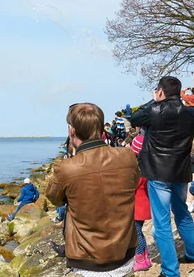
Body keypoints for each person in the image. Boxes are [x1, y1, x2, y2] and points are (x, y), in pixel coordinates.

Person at [46, 103, 139, 276]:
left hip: (87, 259)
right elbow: (133, 185)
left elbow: (55, 199)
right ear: (100, 128)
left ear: (71, 131)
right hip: (124, 252)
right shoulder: (127, 157)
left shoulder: (67, 167)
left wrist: (73, 157)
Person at [130, 76, 194, 277]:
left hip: (158, 172)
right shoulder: (191, 114)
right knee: (181, 212)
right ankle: (193, 253)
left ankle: (171, 271)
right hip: (180, 171)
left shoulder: (154, 110)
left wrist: (154, 100)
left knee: (162, 222)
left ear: (160, 92)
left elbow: (134, 118)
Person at [131, 135, 152, 272]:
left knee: (136, 232)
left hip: (137, 206)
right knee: (139, 231)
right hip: (144, 204)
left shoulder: (138, 169)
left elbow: (133, 186)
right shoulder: (148, 164)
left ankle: (140, 259)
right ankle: (145, 256)